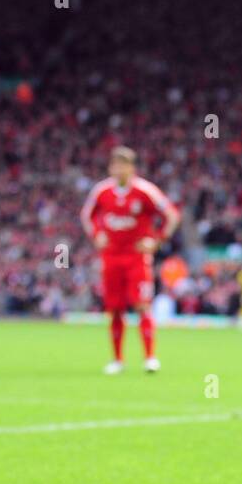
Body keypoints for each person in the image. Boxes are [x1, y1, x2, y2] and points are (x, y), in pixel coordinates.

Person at [80, 147, 180, 373]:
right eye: (115, 165)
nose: (118, 169)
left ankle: (150, 357)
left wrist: (157, 240)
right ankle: (117, 360)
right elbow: (86, 215)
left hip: (137, 257)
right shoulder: (102, 191)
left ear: (131, 168)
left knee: (142, 305)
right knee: (115, 308)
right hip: (111, 256)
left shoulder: (145, 191)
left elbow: (172, 215)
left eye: (123, 165)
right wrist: (97, 235)